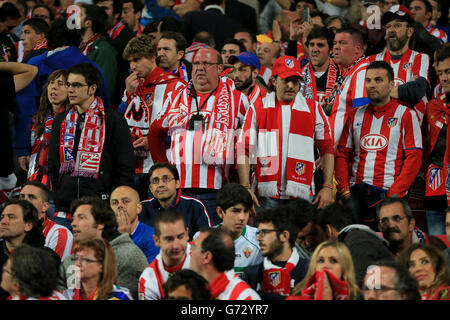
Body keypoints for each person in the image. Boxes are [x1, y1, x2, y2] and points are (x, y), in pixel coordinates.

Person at [148, 47, 251, 224]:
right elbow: (155, 133)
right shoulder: (175, 97)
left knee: (209, 241)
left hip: (217, 190)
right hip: (178, 189)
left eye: (206, 63)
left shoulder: (238, 99)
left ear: (219, 69)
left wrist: (242, 183)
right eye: (196, 63)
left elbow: (246, 142)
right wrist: (162, 166)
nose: (200, 68)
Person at [237, 55, 334, 211]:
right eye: (285, 80)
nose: (290, 85)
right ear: (274, 81)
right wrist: (245, 187)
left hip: (302, 194)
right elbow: (243, 148)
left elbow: (327, 148)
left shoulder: (313, 108)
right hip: (265, 194)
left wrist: (328, 186)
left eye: (295, 80)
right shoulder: (258, 107)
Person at [335, 61, 422, 230]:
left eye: (378, 80)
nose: (372, 85)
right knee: (354, 243)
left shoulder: (406, 115)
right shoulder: (355, 115)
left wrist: (394, 193)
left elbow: (414, 157)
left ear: (391, 85)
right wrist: (345, 190)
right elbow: (342, 154)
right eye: (368, 80)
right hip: (356, 192)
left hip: (386, 192)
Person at [48, 63, 135, 218]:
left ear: (92, 89)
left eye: (76, 85)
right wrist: (59, 194)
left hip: (101, 208)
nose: (70, 90)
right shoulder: (61, 121)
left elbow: (124, 167)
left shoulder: (113, 120)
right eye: (68, 84)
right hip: (66, 207)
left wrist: (115, 202)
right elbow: (54, 165)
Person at [119, 35, 186, 200]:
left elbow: (185, 133)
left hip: (160, 169)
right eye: (130, 61)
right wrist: (127, 95)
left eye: (137, 60)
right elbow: (118, 123)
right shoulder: (132, 85)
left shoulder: (175, 86)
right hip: (131, 169)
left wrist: (156, 141)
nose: (133, 66)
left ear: (152, 57)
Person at [59, 196, 148, 299]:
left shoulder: (129, 255)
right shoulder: (71, 260)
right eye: (73, 219)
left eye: (81, 217)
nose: (73, 224)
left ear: (100, 225)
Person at [368, 5, 429, 124]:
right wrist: (404, 90)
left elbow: (417, 90)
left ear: (410, 31)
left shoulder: (420, 58)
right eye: (388, 26)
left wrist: (378, 92)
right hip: (377, 126)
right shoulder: (371, 60)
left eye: (397, 25)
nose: (391, 30)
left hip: (410, 130)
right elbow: (360, 98)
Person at [317, 202, 394, 287]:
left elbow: (362, 287)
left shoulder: (358, 242)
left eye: (321, 236)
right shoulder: (355, 238)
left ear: (328, 231)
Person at [194, 183, 263, 277]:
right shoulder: (201, 239)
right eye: (236, 211)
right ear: (220, 212)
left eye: (246, 211)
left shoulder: (258, 239)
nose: (242, 217)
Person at [242, 207, 309, 299]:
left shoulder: (309, 270)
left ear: (284, 236)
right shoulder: (251, 274)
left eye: (264, 232)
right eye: (258, 233)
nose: (258, 238)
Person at [140, 162, 212, 240]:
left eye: (166, 179)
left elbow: (207, 242)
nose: (160, 184)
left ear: (177, 183)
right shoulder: (141, 208)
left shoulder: (195, 206)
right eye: (155, 181)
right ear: (150, 188)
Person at [422, 44, 450, 236]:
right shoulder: (434, 107)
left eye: (449, 71)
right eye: (440, 73)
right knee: (438, 247)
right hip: (434, 185)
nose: (445, 78)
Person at [26, 69, 70, 189]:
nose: (53, 87)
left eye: (60, 84)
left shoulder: (73, 121)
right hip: (35, 183)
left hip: (61, 186)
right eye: (51, 82)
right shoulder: (39, 120)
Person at [190, 227, 261, 300]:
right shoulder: (192, 289)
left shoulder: (244, 297)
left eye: (194, 247)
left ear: (207, 257)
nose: (190, 251)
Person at [327, 27, 370, 145]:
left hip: (345, 150)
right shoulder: (348, 71)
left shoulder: (362, 71)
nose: (335, 47)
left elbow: (361, 118)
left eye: (342, 43)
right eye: (335, 43)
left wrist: (339, 147)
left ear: (357, 49)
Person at [138, 210, 191, 300]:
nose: (176, 245)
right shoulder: (148, 279)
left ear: (187, 234)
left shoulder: (205, 257)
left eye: (180, 237)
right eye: (169, 239)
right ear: (156, 240)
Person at [0, 199, 45, 299]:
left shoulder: (44, 259)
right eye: (2, 217)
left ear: (28, 225)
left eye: (11, 217)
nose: (3, 222)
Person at [62, 238, 133, 300]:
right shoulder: (67, 296)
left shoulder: (119, 296)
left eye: (84, 259)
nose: (77, 264)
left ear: (102, 265)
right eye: (76, 258)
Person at [19, 181, 73, 261]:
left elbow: (51, 271)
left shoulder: (59, 233)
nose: (25, 200)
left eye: (31, 197)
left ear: (45, 206)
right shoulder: (10, 228)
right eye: (22, 196)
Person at [288, 241, 360, 300]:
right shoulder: (295, 297)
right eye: (321, 261)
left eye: (333, 261)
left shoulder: (358, 296)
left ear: (345, 267)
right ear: (314, 266)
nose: (325, 265)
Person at [377, 197, 447, 256]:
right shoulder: (374, 251)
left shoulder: (436, 249)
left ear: (411, 224)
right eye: (385, 221)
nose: (391, 225)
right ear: (380, 227)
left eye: (397, 218)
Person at [78, 4, 118, 104]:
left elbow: (105, 87)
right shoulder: (81, 46)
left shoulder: (104, 50)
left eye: (80, 15)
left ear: (88, 23)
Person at [110, 185, 160, 263]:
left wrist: (125, 239)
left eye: (126, 201)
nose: (120, 206)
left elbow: (146, 272)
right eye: (115, 203)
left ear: (138, 208)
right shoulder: (104, 236)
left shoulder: (152, 237)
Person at [301, 26, 340, 116]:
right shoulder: (300, 76)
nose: (315, 49)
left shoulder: (341, 74)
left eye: (320, 45)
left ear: (331, 50)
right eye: (311, 45)